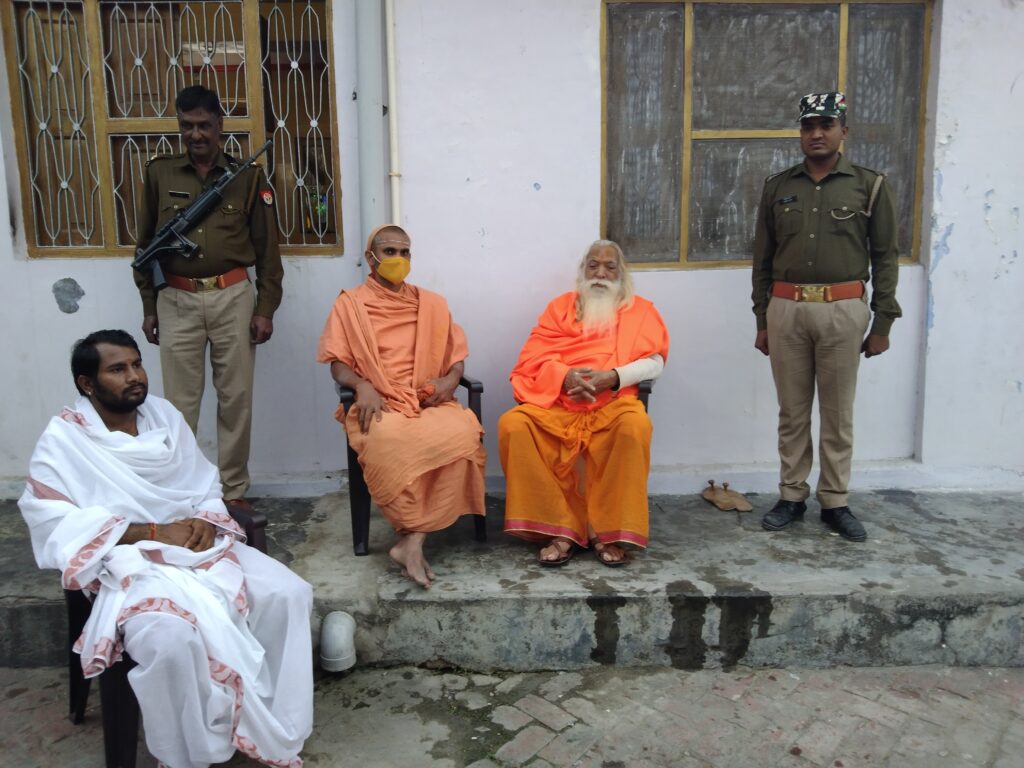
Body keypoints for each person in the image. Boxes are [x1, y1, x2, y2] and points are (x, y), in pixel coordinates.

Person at [18, 330, 312, 768]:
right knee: (170, 640)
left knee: (290, 594)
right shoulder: (64, 439)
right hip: (125, 565)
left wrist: (205, 520)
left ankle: (274, 722)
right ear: (87, 383)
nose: (135, 376)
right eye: (118, 369)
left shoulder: (164, 416)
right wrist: (152, 531)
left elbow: (203, 483)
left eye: (137, 364)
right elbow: (50, 519)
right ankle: (190, 755)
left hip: (199, 547)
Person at [752, 92, 902, 542]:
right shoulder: (778, 187)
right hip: (786, 310)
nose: (816, 134)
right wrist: (762, 320)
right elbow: (763, 259)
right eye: (808, 126)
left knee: (837, 413)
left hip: (843, 310)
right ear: (800, 133)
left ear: (843, 131)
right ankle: (791, 495)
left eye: (826, 125)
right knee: (792, 411)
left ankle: (835, 500)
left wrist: (883, 322)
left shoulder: (869, 185)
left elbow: (885, 257)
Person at [134, 85, 282, 516]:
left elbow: (268, 251)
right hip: (176, 300)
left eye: (203, 125)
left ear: (220, 125)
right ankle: (183, 490)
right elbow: (145, 246)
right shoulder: (160, 174)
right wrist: (149, 306)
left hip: (233, 297)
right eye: (187, 126)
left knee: (235, 399)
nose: (195, 134)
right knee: (179, 405)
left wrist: (265, 308)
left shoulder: (246, 177)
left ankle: (232, 489)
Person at [317, 224, 486, 589]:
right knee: (391, 439)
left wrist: (451, 380)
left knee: (464, 432)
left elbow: (455, 356)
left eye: (404, 252)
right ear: (371, 258)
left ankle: (412, 541)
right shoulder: (350, 305)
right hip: (380, 401)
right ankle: (412, 539)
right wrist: (362, 385)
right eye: (389, 252)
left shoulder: (432, 304)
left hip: (428, 399)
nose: (398, 259)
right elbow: (337, 363)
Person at [499, 240, 669, 567]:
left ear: (621, 274)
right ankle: (561, 529)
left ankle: (604, 531)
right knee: (514, 425)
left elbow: (654, 363)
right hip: (560, 405)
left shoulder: (641, 311)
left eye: (609, 267)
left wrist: (612, 377)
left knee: (635, 426)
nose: (600, 273)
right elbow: (531, 359)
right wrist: (565, 377)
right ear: (583, 271)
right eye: (593, 265)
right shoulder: (559, 308)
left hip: (613, 404)